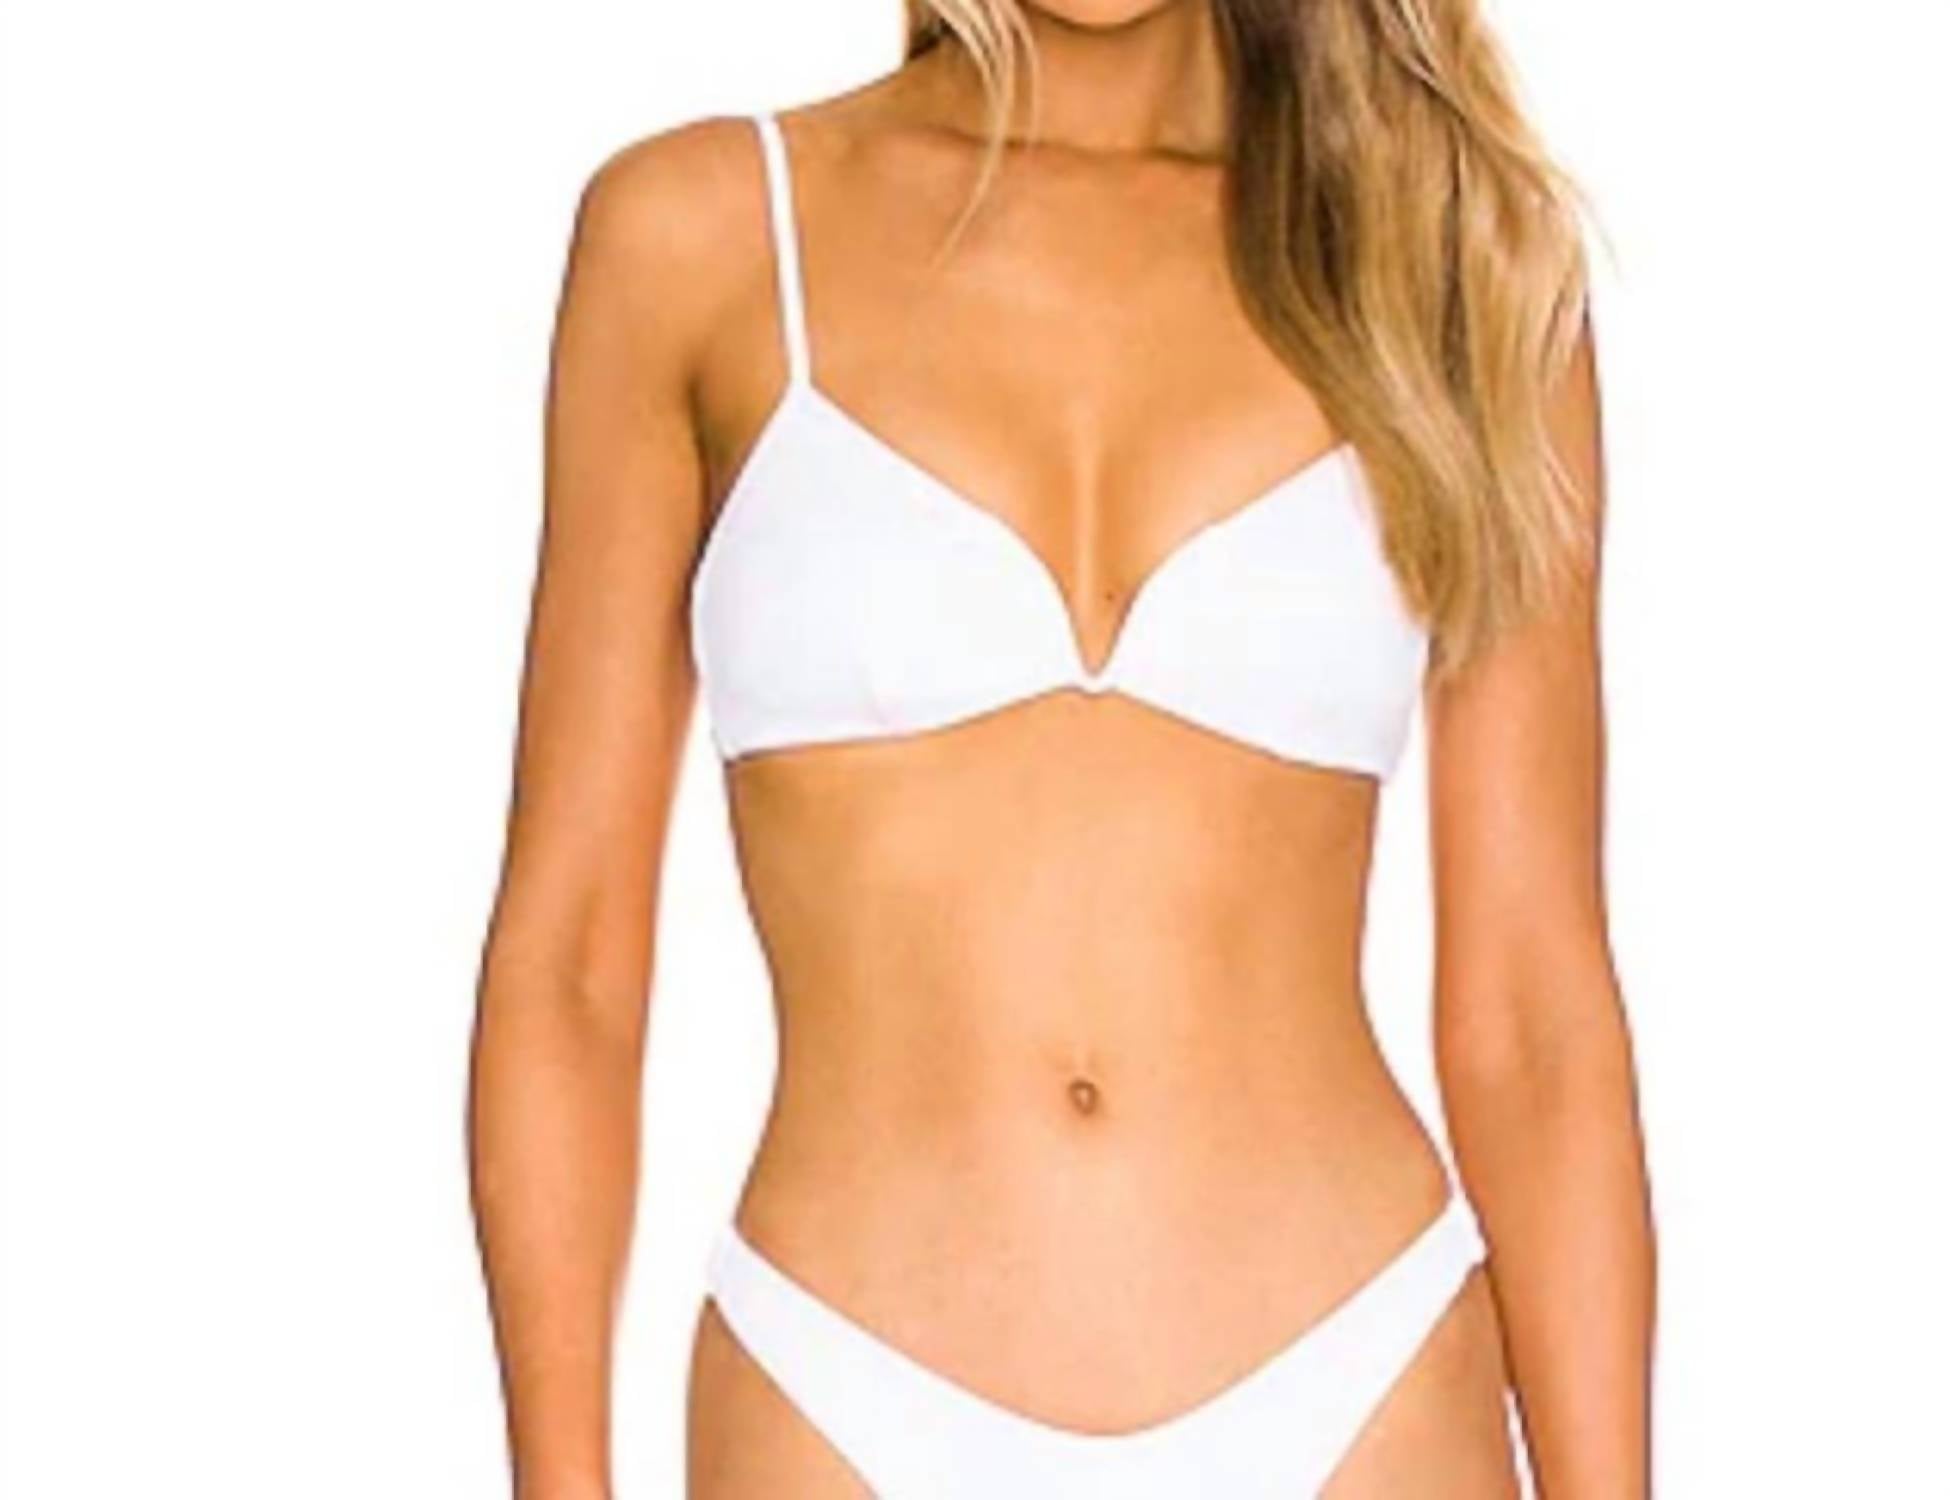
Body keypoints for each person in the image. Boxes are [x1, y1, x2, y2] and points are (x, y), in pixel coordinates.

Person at [468, 2, 1656, 1495]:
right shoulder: (703, 234)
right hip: (840, 1392)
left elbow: (1533, 1008)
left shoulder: (1448, 258)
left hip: (1362, 1383)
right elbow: (571, 957)